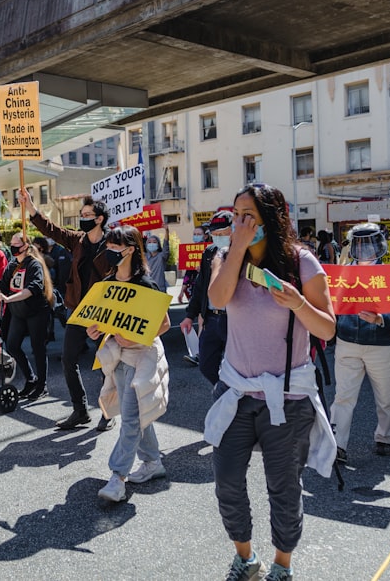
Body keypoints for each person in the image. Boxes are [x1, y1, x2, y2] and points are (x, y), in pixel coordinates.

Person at [204, 183, 337, 581]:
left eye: (250, 216)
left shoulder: (302, 262)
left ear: (271, 219)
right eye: (236, 215)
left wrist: (299, 302)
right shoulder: (226, 257)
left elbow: (327, 329)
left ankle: (282, 564)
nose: (240, 223)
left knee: (283, 488)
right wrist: (238, 248)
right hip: (235, 391)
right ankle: (245, 556)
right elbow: (217, 299)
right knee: (227, 482)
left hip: (288, 395)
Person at [21, 187, 114, 431]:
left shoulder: (114, 242)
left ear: (99, 218)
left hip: (104, 312)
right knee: (68, 358)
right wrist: (31, 207)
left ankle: (107, 411)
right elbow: (52, 229)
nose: (82, 218)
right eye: (81, 214)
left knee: (106, 362)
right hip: (79, 310)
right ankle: (80, 410)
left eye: (86, 214)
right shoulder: (77, 240)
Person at [89, 226, 171, 502]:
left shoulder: (146, 285)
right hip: (120, 360)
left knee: (132, 418)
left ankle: (117, 477)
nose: (111, 252)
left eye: (116, 248)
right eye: (108, 247)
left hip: (142, 360)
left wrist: (132, 336)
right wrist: (97, 330)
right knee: (135, 416)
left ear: (131, 250)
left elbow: (164, 324)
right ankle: (153, 462)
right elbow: (106, 321)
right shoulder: (109, 283)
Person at [329, 223, 390, 463]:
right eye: (360, 243)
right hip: (347, 342)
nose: (365, 249)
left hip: (382, 344)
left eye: (370, 243)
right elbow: (329, 305)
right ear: (352, 245)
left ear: (380, 244)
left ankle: (385, 437)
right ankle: (338, 445)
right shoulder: (341, 274)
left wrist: (382, 319)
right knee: (343, 396)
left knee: (385, 397)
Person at [0, 232, 53, 401]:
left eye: (16, 244)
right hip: (19, 312)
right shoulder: (12, 265)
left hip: (36, 311)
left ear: (25, 246)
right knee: (12, 345)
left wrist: (9, 298)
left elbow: (32, 288)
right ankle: (31, 379)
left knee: (38, 348)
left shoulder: (35, 265)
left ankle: (42, 385)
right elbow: (1, 285)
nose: (12, 247)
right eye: (11, 244)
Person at [179, 210, 233, 384]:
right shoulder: (209, 252)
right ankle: (226, 392)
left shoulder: (241, 252)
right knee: (206, 365)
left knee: (238, 366)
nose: (218, 237)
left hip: (234, 319)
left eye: (223, 233)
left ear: (233, 230)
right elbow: (200, 287)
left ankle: (236, 399)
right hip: (211, 318)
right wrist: (190, 315)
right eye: (215, 234)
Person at [178, 224, 207, 304]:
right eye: (194, 234)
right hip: (193, 289)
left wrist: (204, 270)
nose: (196, 236)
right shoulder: (190, 251)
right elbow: (187, 275)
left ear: (205, 236)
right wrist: (182, 291)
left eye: (199, 234)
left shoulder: (210, 250)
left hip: (207, 287)